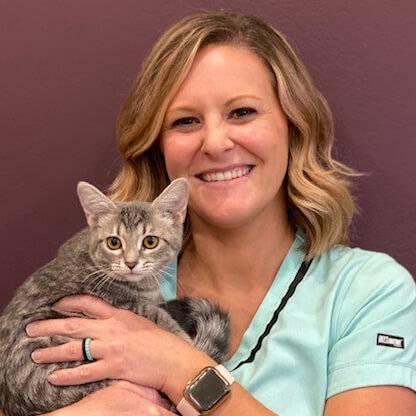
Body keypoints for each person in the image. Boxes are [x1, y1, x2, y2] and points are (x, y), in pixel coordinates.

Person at [4, 11, 415, 416]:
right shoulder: (105, 279)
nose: (216, 143)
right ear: (158, 146)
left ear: (294, 125)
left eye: (242, 112)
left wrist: (178, 365)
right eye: (186, 121)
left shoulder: (369, 293)